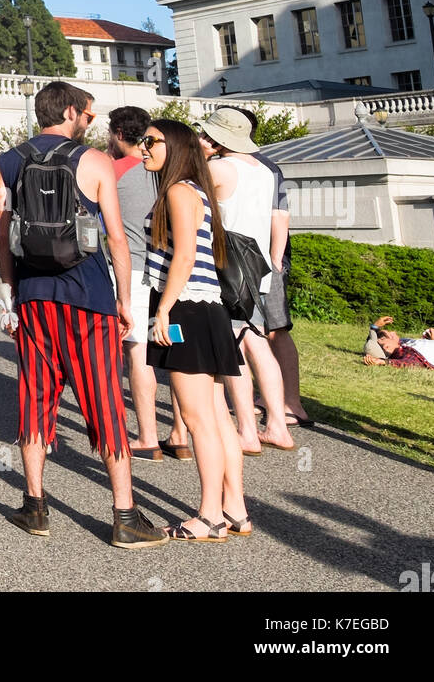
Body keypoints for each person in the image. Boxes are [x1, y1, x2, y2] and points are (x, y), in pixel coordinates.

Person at [0, 81, 167, 548]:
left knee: (34, 396)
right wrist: (125, 300)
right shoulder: (94, 162)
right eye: (88, 115)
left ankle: (34, 506)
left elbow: (5, 236)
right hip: (88, 299)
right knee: (104, 400)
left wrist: (9, 295)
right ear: (71, 112)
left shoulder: (9, 161)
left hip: (33, 298)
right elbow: (116, 237)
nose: (91, 122)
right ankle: (125, 515)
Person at [141, 119, 249, 541]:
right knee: (217, 417)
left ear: (177, 147)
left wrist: (163, 309)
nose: (143, 147)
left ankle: (209, 516)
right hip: (205, 308)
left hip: (185, 306)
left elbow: (183, 255)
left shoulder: (178, 191)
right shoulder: (193, 189)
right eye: (142, 140)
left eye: (151, 141)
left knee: (197, 417)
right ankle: (234, 508)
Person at [200, 108, 295, 454]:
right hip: (256, 266)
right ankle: (277, 425)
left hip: (226, 266)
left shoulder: (219, 169)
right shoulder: (264, 171)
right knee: (257, 342)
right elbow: (277, 216)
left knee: (233, 346)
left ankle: (247, 431)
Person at [108, 105, 191, 460]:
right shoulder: (179, 176)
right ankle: (180, 433)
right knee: (176, 354)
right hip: (177, 278)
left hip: (138, 273)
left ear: (117, 134)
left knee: (138, 353)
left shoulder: (119, 173)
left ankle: (146, 436)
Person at [364, 316, 434, 368]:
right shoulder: (407, 353)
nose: (393, 332)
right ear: (387, 347)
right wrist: (383, 362)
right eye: (388, 336)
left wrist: (375, 326)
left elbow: (372, 343)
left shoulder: (402, 344)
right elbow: (409, 363)